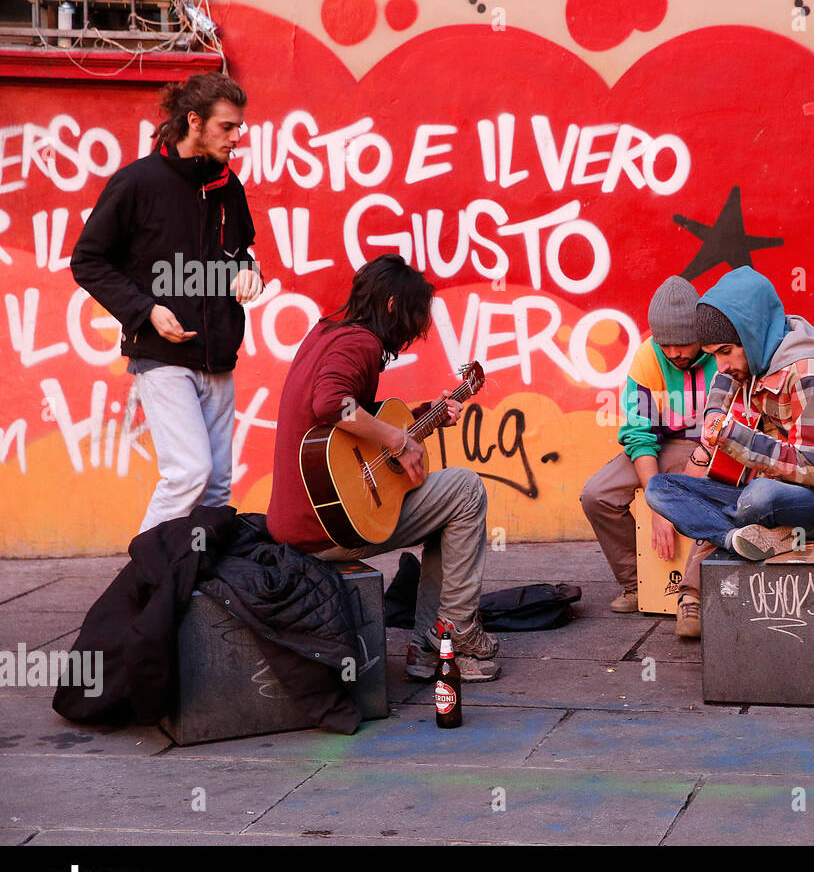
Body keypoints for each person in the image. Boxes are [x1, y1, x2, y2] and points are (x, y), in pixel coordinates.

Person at [266, 255, 501, 682]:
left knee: (443, 511)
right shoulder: (362, 344)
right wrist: (397, 439)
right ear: (393, 306)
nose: (416, 329)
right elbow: (331, 405)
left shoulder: (324, 332)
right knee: (465, 490)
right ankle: (459, 631)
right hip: (329, 527)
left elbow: (350, 426)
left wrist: (421, 418)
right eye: (415, 314)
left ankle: (428, 647)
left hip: (301, 520)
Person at [645, 266, 814, 637]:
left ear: (751, 335)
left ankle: (737, 530)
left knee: (758, 497)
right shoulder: (753, 358)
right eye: (712, 355)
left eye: (725, 351)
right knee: (660, 488)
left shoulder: (810, 372)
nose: (720, 365)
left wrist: (734, 438)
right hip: (764, 493)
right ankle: (737, 538)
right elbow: (724, 382)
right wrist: (712, 418)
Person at [71, 72, 262, 534]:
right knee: (188, 475)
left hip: (219, 359)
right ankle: (141, 585)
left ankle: (194, 591)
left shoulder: (227, 188)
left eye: (239, 126)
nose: (238, 137)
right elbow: (87, 260)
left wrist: (249, 272)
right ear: (194, 122)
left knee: (216, 487)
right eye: (227, 127)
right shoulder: (137, 183)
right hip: (162, 356)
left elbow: (242, 253)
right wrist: (146, 311)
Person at [580, 276, 717, 621]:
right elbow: (639, 434)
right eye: (665, 344)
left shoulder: (722, 352)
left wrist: (670, 502)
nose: (674, 353)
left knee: (710, 495)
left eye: (683, 344)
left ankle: (695, 594)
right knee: (597, 494)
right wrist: (658, 501)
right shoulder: (647, 357)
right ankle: (639, 584)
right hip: (661, 444)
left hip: (712, 449)